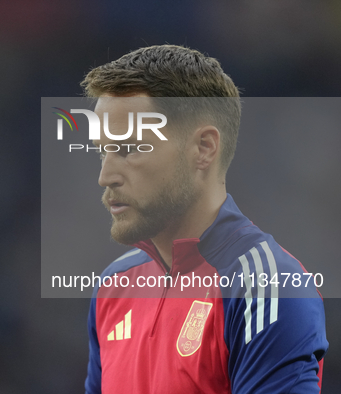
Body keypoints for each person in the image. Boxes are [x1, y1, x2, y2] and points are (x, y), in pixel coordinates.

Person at [82, 45, 328, 394]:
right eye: (103, 151)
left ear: (204, 149)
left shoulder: (267, 288)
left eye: (129, 148)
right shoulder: (113, 286)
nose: (105, 176)